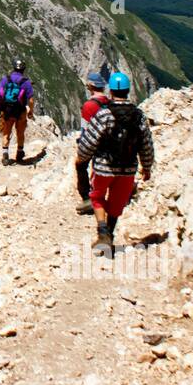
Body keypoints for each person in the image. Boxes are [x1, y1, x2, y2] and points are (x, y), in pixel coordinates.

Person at [74, 71, 154, 256]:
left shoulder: (104, 114)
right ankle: (109, 233)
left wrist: (82, 157)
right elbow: (146, 144)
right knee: (116, 204)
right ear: (128, 90)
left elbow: (90, 141)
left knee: (97, 197)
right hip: (128, 169)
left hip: (104, 167)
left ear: (111, 91)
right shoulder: (139, 116)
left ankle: (102, 232)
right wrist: (147, 166)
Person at [75, 71, 111, 214]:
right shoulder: (109, 103)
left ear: (90, 86)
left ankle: (87, 198)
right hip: (109, 142)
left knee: (80, 164)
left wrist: (81, 146)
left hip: (94, 143)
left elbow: (85, 130)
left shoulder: (88, 106)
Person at [0, 59, 35, 165]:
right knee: (20, 133)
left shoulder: (5, 80)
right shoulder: (26, 82)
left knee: (6, 133)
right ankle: (19, 153)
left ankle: (5, 155)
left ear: (14, 68)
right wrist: (31, 112)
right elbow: (31, 100)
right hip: (20, 111)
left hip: (7, 111)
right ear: (23, 69)